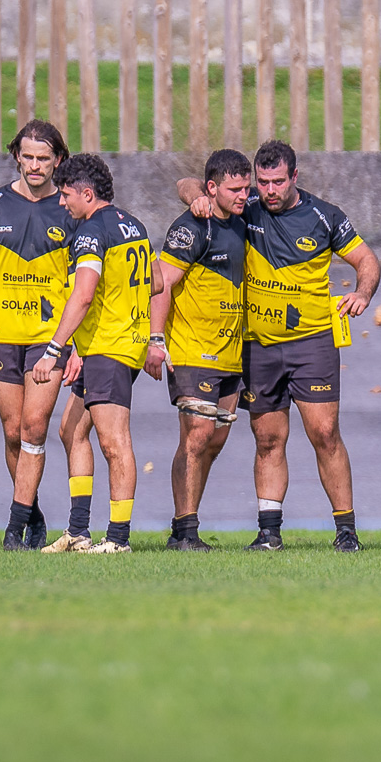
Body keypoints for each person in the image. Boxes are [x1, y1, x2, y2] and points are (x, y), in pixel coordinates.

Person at [178, 139, 380, 552]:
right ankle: (269, 532)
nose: (269, 191)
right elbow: (186, 183)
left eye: (278, 182)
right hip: (258, 346)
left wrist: (362, 293)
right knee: (268, 439)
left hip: (313, 343)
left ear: (295, 177)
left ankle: (346, 531)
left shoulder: (325, 216)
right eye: (263, 182)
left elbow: (367, 261)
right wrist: (197, 197)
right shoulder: (244, 208)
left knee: (325, 433)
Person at [30, 154, 156, 554]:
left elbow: (83, 295)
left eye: (66, 195)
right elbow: (154, 286)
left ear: (87, 193)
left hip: (110, 348)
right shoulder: (132, 223)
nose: (62, 202)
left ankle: (118, 538)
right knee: (71, 430)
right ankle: (79, 531)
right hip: (113, 344)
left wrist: (54, 350)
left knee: (114, 442)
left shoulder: (90, 232)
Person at [0, 120, 69, 551]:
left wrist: (72, 344)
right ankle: (34, 513)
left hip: (49, 338)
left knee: (34, 426)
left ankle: (12, 528)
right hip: (2, 334)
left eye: (44, 158)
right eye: (29, 157)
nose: (36, 166)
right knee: (11, 433)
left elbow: (83, 284)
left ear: (57, 160)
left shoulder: (69, 207)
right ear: (17, 157)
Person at [148, 149, 252, 551]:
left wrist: (193, 188)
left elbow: (184, 183)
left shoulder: (244, 217)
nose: (243, 195)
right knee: (196, 435)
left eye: (246, 188)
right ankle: (184, 532)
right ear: (213, 188)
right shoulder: (193, 227)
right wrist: (157, 341)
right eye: (234, 189)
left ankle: (187, 522)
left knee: (215, 441)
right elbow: (163, 283)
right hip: (191, 351)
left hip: (230, 353)